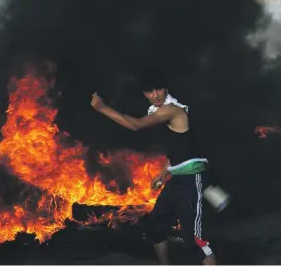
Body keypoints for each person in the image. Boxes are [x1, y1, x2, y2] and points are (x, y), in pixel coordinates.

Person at [90, 81, 217, 265]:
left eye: (159, 89)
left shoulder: (172, 110)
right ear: (145, 94)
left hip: (191, 180)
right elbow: (180, 148)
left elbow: (136, 125)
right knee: (155, 228)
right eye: (150, 91)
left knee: (196, 242)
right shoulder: (158, 112)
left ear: (167, 89)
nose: (156, 95)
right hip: (177, 180)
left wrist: (103, 108)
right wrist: (164, 173)